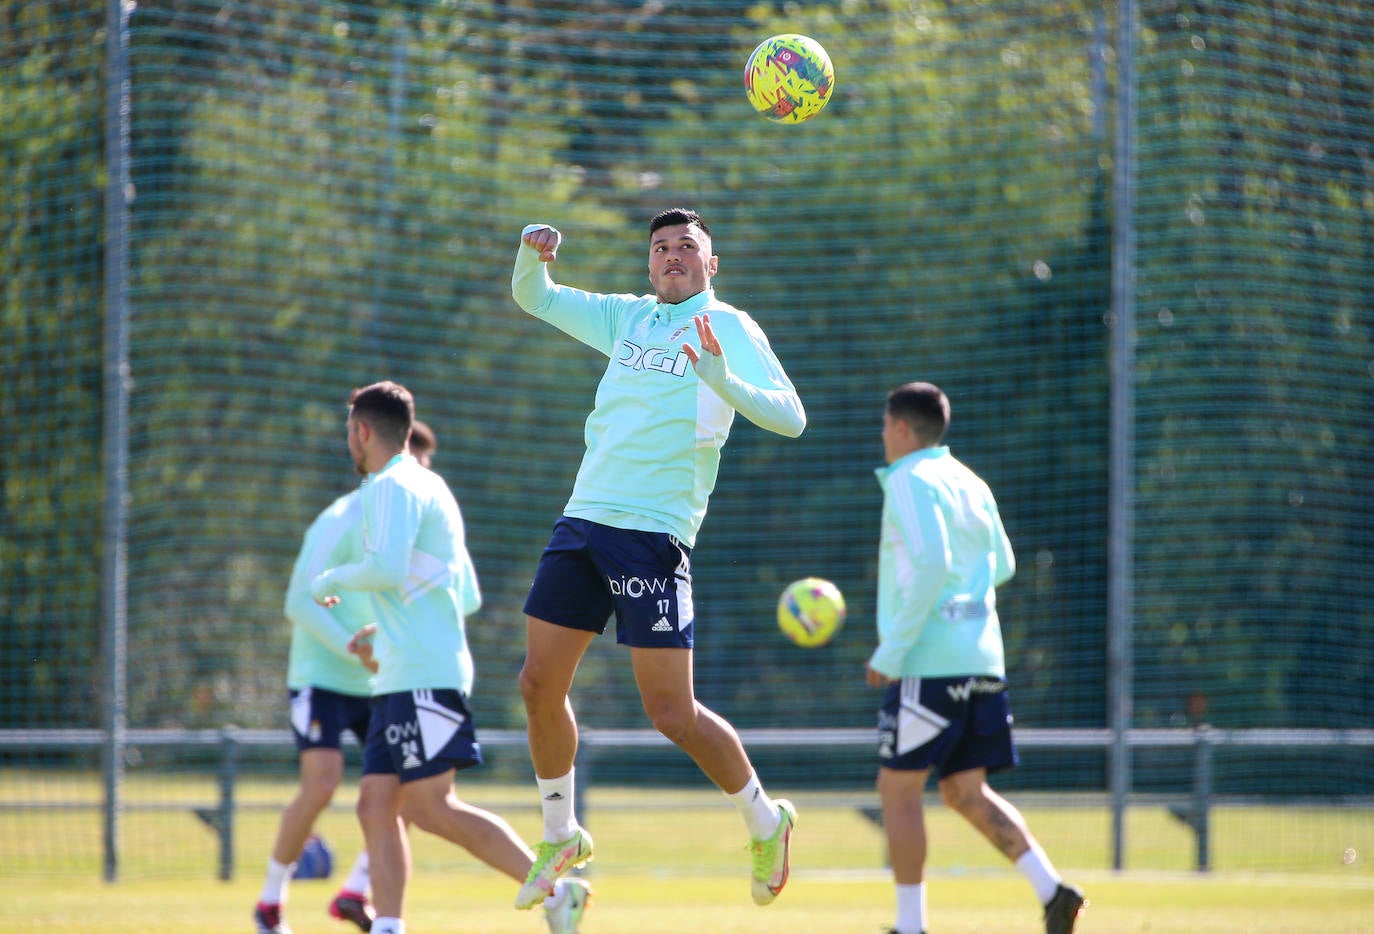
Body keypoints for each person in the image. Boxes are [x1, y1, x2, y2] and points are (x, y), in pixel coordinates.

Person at [509, 209, 807, 910]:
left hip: (655, 532)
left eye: (686, 247)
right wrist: (533, 254)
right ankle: (562, 833)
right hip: (583, 520)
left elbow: (791, 416)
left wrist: (721, 378)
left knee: (671, 711)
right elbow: (536, 297)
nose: (672, 256)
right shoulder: (627, 317)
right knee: (535, 684)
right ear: (648, 265)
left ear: (712, 263)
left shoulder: (729, 326)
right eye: (661, 248)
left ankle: (766, 821)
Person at [310, 381, 591, 934]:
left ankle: (558, 897)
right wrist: (389, 625)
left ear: (363, 431)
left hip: (419, 675)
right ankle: (389, 925)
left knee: (431, 807)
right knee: (376, 806)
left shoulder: (390, 486)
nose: (349, 439)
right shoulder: (428, 485)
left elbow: (389, 571)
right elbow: (463, 594)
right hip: (405, 669)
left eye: (349, 429)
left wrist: (331, 581)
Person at [866, 382, 1086, 934]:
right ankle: (1054, 892)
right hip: (984, 659)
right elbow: (1004, 563)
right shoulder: (969, 480)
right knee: (965, 791)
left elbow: (933, 561)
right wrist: (967, 608)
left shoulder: (909, 480)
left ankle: (910, 927)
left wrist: (892, 651)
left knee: (898, 790)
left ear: (900, 428)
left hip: (928, 662)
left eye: (884, 427)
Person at [254, 420, 437, 934]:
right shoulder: (342, 517)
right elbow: (298, 601)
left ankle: (356, 891)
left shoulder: (418, 530)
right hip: (324, 677)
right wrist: (354, 648)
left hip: (381, 681)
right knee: (322, 784)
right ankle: (270, 904)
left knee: (409, 790)